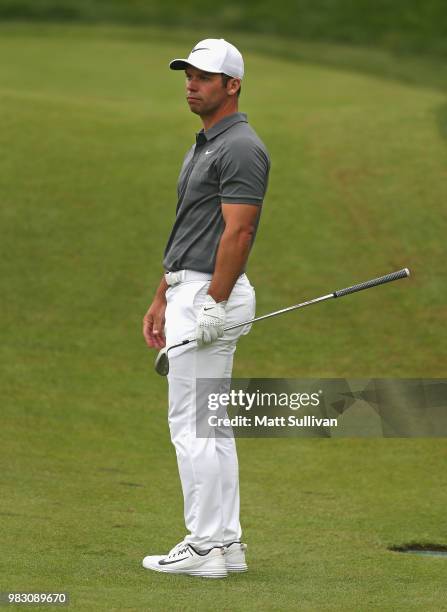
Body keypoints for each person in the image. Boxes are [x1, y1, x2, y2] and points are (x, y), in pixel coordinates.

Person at [141, 38, 270, 578]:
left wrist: (212, 302)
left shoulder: (240, 147)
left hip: (209, 295)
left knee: (192, 427)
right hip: (190, 290)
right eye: (188, 76)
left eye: (204, 77)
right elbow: (192, 228)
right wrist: (162, 292)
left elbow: (239, 233)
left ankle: (203, 546)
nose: (191, 85)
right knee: (211, 426)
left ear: (232, 85)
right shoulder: (207, 144)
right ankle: (225, 545)